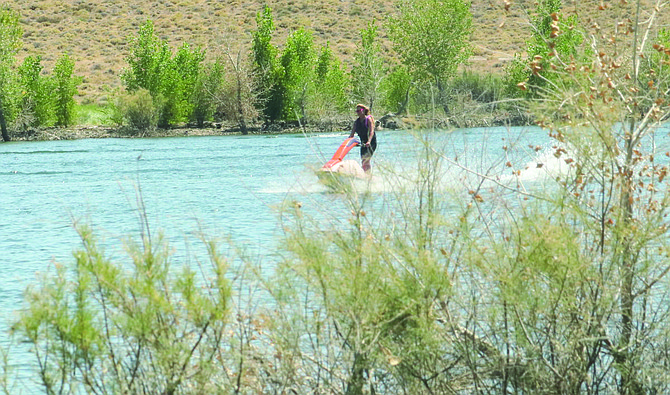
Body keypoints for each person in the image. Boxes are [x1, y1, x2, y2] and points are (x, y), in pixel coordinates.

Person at [348, 104, 376, 172]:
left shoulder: (368, 119)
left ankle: (368, 176)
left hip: (371, 143)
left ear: (363, 111)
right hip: (363, 143)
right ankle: (365, 174)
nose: (358, 112)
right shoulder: (356, 122)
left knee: (366, 160)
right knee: (363, 161)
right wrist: (349, 143)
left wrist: (369, 141)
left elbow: (371, 132)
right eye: (357, 111)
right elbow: (351, 135)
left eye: (359, 110)